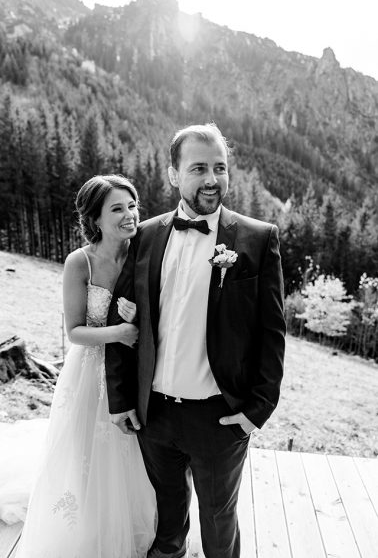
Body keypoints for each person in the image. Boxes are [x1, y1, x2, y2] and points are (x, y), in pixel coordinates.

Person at [105, 124, 286, 558]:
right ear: (173, 174)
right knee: (167, 520)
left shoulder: (257, 239)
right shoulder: (145, 235)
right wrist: (121, 398)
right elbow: (122, 320)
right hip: (156, 415)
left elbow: (272, 332)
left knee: (219, 526)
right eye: (199, 168)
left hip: (221, 418)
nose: (211, 179)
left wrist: (255, 411)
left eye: (220, 168)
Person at [13, 175, 156, 557]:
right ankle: (91, 535)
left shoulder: (143, 253)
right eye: (117, 209)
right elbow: (74, 332)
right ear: (95, 219)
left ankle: (129, 530)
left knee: (132, 458)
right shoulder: (81, 262)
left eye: (133, 205)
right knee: (88, 458)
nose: (130, 215)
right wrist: (119, 331)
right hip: (89, 376)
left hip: (133, 374)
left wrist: (139, 318)